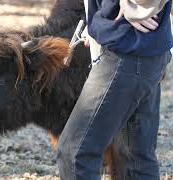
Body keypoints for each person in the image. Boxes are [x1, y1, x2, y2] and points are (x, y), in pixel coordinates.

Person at [57, 0, 173, 180]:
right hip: (141, 49)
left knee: (75, 152)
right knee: (135, 159)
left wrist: (131, 5)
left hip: (126, 51)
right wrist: (97, 19)